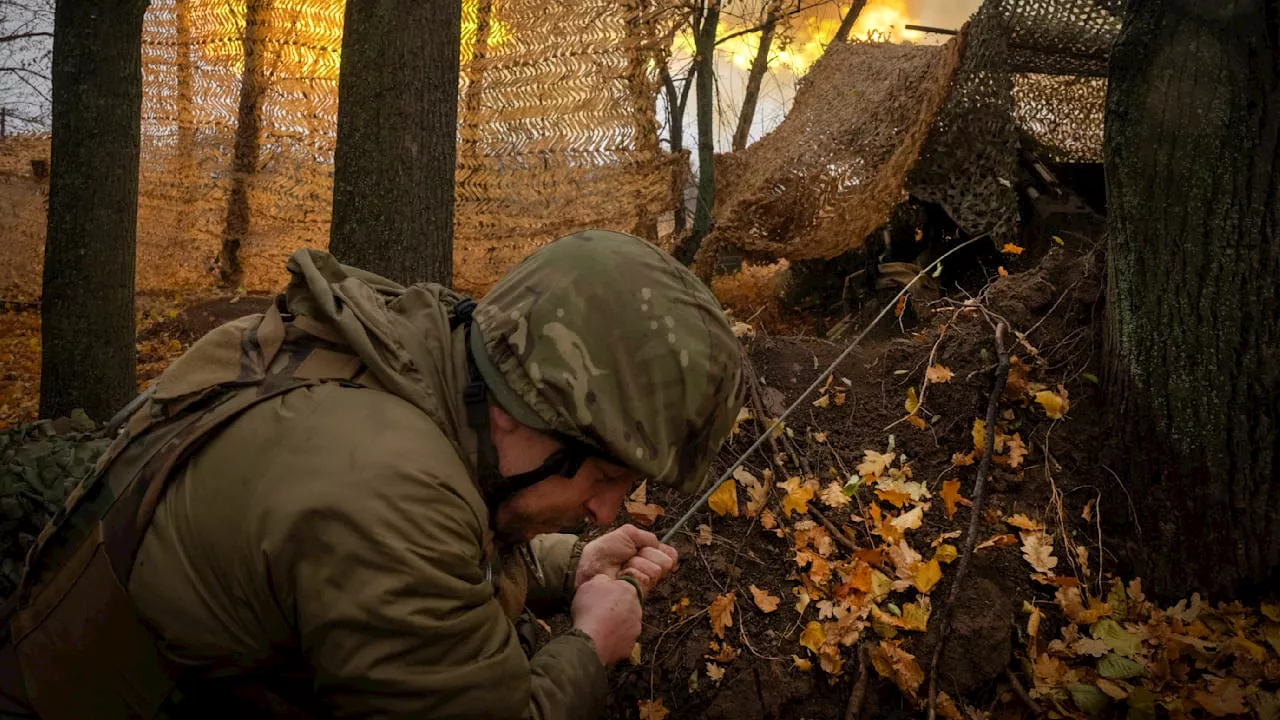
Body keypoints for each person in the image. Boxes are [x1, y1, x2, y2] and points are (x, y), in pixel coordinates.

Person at [0, 229, 747, 720]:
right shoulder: (386, 492)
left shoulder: (391, 355)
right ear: (522, 412)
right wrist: (589, 645)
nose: (606, 509)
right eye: (606, 477)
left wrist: (569, 564)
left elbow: (431, 544)